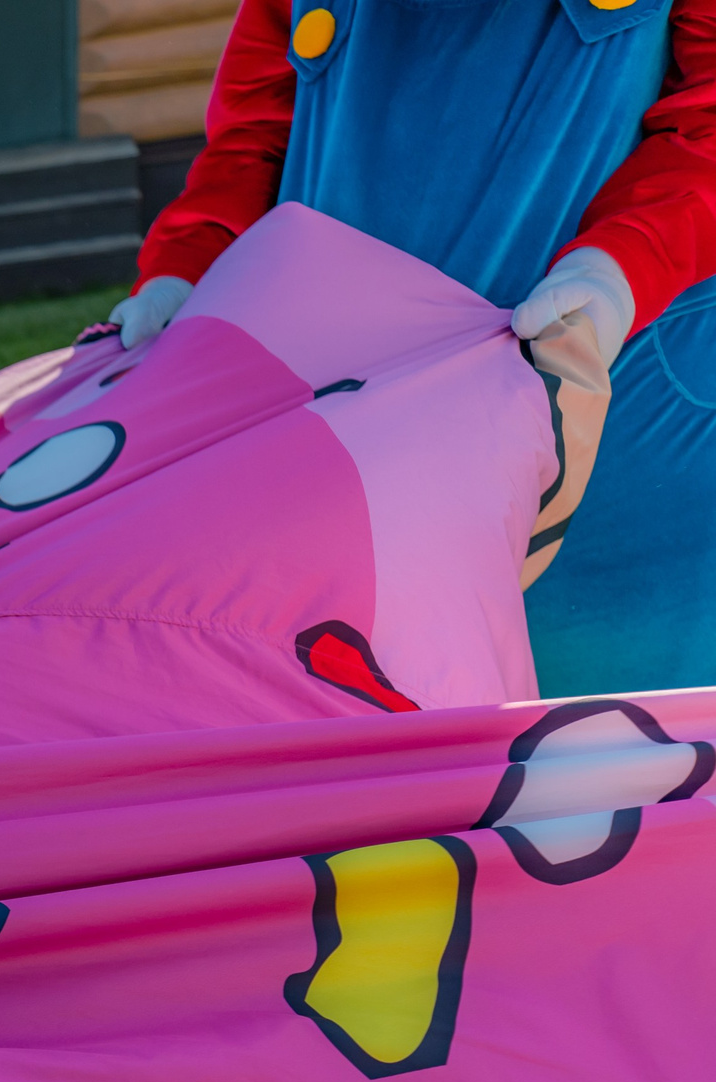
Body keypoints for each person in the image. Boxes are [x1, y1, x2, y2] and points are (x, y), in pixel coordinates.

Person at [106, 0, 716, 694]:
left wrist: (619, 265)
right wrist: (188, 273)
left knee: (613, 746)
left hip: (621, 415)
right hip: (353, 440)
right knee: (375, 730)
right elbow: (258, 135)